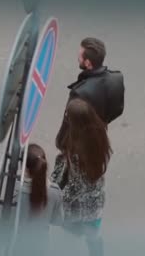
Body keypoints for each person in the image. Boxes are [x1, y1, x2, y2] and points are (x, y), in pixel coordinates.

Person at [51, 98, 113, 256]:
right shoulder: (99, 133)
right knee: (94, 237)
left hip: (81, 208)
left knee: (71, 239)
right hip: (96, 201)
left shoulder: (78, 153)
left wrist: (58, 200)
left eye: (68, 116)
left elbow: (76, 186)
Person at [11, 143, 64, 256]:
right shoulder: (55, 192)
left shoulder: (14, 190)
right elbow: (57, 220)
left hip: (16, 247)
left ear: (25, 168)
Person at [69, 37, 124, 125]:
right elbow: (118, 110)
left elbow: (69, 124)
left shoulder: (78, 92)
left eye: (79, 56)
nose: (78, 58)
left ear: (87, 63)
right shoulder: (117, 78)